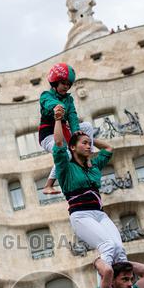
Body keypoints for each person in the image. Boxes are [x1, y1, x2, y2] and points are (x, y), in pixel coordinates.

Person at [50, 110, 125, 282]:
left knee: (119, 249)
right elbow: (59, 142)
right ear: (73, 147)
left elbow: (108, 149)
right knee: (107, 246)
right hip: (81, 215)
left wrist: (88, 137)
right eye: (84, 143)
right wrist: (58, 120)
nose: (89, 146)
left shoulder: (94, 166)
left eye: (89, 144)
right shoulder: (65, 167)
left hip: (99, 214)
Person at [38, 62, 84, 196]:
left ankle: (85, 159)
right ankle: (48, 185)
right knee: (66, 154)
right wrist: (57, 106)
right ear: (55, 82)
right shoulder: (46, 95)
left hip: (64, 133)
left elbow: (73, 116)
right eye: (64, 83)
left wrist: (76, 132)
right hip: (48, 136)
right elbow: (48, 104)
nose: (66, 87)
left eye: (68, 85)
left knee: (86, 126)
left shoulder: (69, 100)